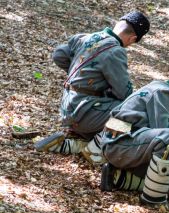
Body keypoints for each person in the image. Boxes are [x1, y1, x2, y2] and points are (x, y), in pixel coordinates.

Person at [34, 11, 150, 165]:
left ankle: (74, 143)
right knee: (134, 111)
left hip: (67, 107)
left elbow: (59, 55)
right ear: (133, 38)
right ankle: (95, 149)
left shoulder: (85, 37)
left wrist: (83, 78)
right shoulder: (116, 51)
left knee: (113, 113)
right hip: (84, 112)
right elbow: (124, 93)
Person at [100, 60, 169, 207]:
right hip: (119, 144)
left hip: (122, 144)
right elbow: (164, 132)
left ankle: (116, 177)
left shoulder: (157, 88)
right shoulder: (163, 92)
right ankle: (153, 199)